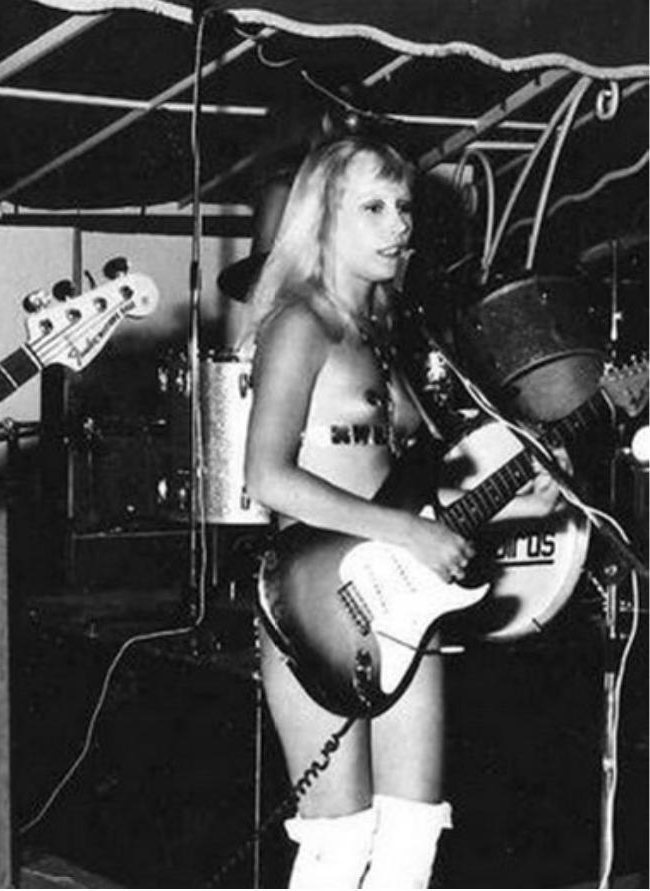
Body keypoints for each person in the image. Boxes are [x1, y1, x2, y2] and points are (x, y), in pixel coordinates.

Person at [239, 134, 559, 888]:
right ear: (324, 216)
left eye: (404, 207)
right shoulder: (300, 324)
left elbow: (398, 493)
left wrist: (518, 502)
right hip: (315, 608)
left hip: (402, 604)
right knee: (339, 845)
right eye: (374, 208)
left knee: (411, 839)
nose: (398, 225)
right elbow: (267, 477)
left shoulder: (385, 333)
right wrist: (410, 532)